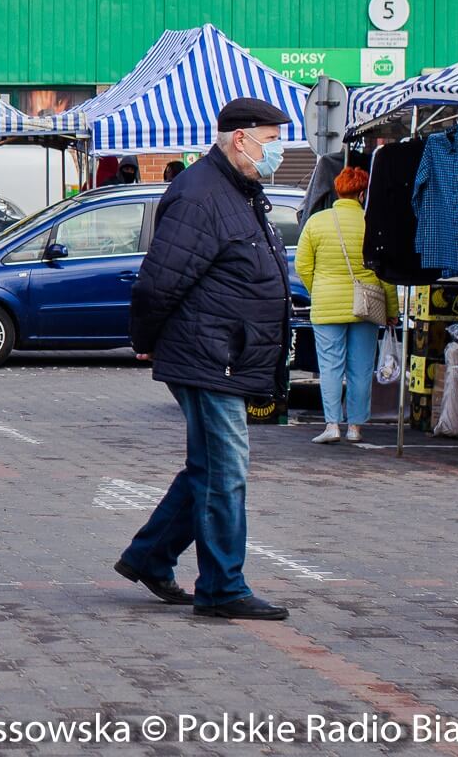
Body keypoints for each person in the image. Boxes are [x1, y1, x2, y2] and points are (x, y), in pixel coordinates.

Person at [116, 98, 294, 622]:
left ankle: (150, 556)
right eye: (271, 139)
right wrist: (143, 337)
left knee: (210, 468)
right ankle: (221, 586)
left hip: (225, 352)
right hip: (209, 353)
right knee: (226, 470)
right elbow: (159, 279)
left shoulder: (239, 190)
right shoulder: (200, 194)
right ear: (241, 139)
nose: (278, 151)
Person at [295, 167, 397, 445]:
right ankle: (355, 427)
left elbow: (302, 264)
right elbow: (384, 272)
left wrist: (318, 289)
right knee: (361, 368)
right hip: (366, 306)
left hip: (327, 305)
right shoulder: (371, 223)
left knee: (330, 366)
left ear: (338, 191)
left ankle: (331, 425)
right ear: (362, 194)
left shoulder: (316, 222)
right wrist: (392, 310)